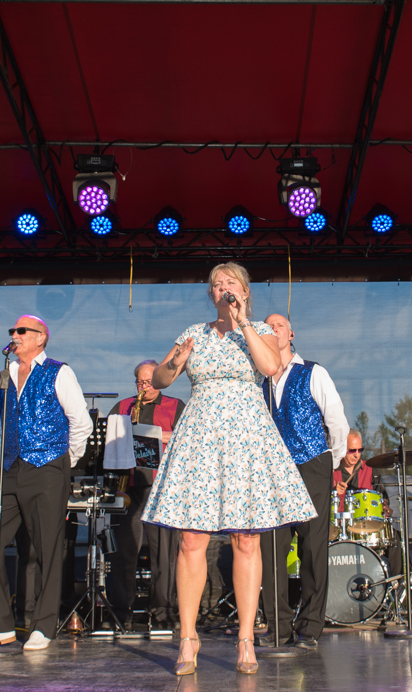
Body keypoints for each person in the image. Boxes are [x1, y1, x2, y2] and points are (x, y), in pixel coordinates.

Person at [143, 262, 316, 676]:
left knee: (247, 539)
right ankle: (188, 636)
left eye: (230, 283)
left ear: (244, 292)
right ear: (210, 294)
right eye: (217, 284)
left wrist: (243, 324)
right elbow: (163, 379)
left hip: (247, 437)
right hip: (201, 434)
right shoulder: (192, 332)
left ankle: (244, 637)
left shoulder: (260, 331)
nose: (223, 287)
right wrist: (176, 361)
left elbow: (270, 368)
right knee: (190, 539)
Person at [0, 315, 92, 652]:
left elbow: (81, 422)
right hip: (12, 468)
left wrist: (64, 462)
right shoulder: (5, 375)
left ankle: (44, 626)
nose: (15, 335)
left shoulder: (59, 371)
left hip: (48, 467)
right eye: (12, 331)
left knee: (47, 546)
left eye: (22, 331)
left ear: (40, 338)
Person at [259, 313, 349, 649]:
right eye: (266, 328)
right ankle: (278, 628)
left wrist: (331, 462)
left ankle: (310, 627)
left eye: (278, 326)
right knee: (272, 548)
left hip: (312, 464)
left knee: (312, 547)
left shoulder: (313, 372)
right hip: (273, 472)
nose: (272, 331)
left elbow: (336, 421)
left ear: (291, 333)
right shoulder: (261, 382)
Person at [107, 360, 186, 629]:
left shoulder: (176, 407)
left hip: (162, 487)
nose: (145, 387)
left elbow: (187, 441)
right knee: (122, 551)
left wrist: (156, 436)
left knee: (164, 552)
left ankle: (163, 611)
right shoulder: (123, 407)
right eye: (140, 382)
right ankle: (121, 611)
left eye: (150, 382)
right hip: (128, 486)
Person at [333, 430, 374, 507]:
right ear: (342, 449)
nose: (356, 455)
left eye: (360, 450)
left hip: (364, 517)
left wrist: (385, 506)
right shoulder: (331, 470)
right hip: (339, 518)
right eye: (352, 450)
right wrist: (333, 492)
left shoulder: (370, 468)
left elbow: (382, 496)